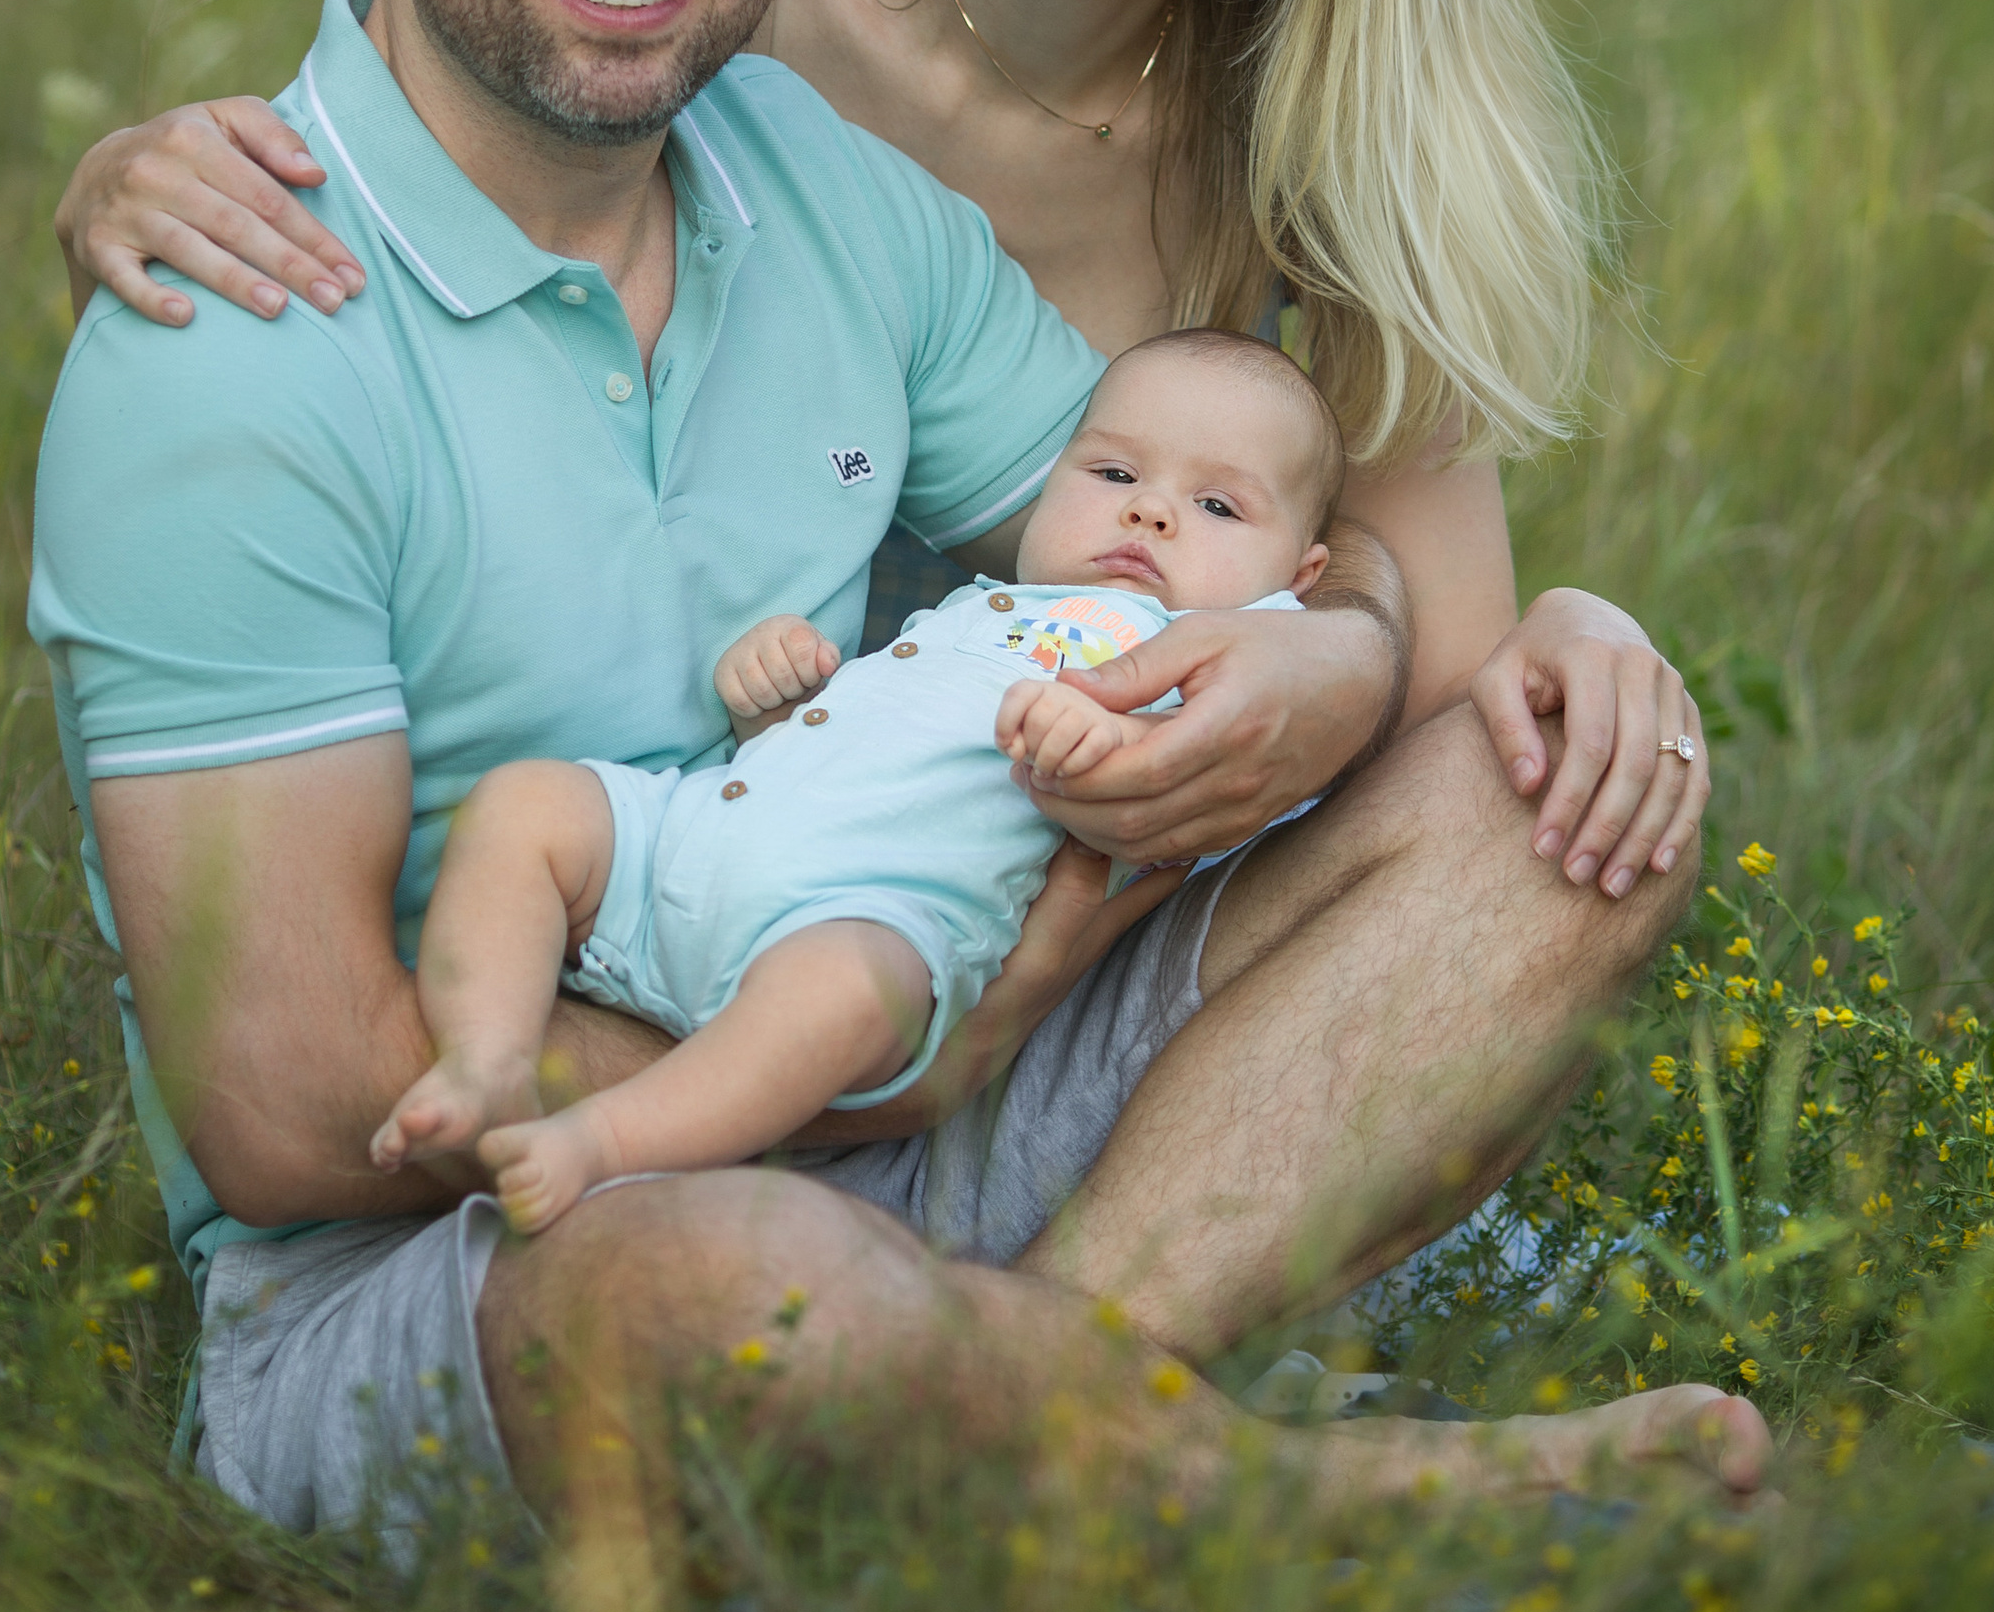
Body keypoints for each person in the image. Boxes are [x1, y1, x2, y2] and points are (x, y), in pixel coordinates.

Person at [29, 0, 1767, 1553]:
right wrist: (863, 1064)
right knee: (726, 1291)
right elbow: (299, 1112)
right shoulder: (230, 354)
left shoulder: (813, 186)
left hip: (888, 978)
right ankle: (1353, 1520)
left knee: (1533, 812)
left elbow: (1153, 546)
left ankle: (999, 1427)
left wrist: (1363, 635)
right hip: (477, 1239)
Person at [379, 329, 1340, 1232]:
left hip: (862, 921)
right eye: (1114, 473)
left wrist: (1106, 741)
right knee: (530, 805)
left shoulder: (1211, 671)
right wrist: (779, 708)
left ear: (1299, 576)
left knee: (841, 999)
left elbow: (1187, 813)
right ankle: (485, 1059)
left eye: (1217, 507)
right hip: (703, 830)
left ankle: (603, 1141)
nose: (1150, 509)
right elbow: (858, 751)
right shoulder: (986, 604)